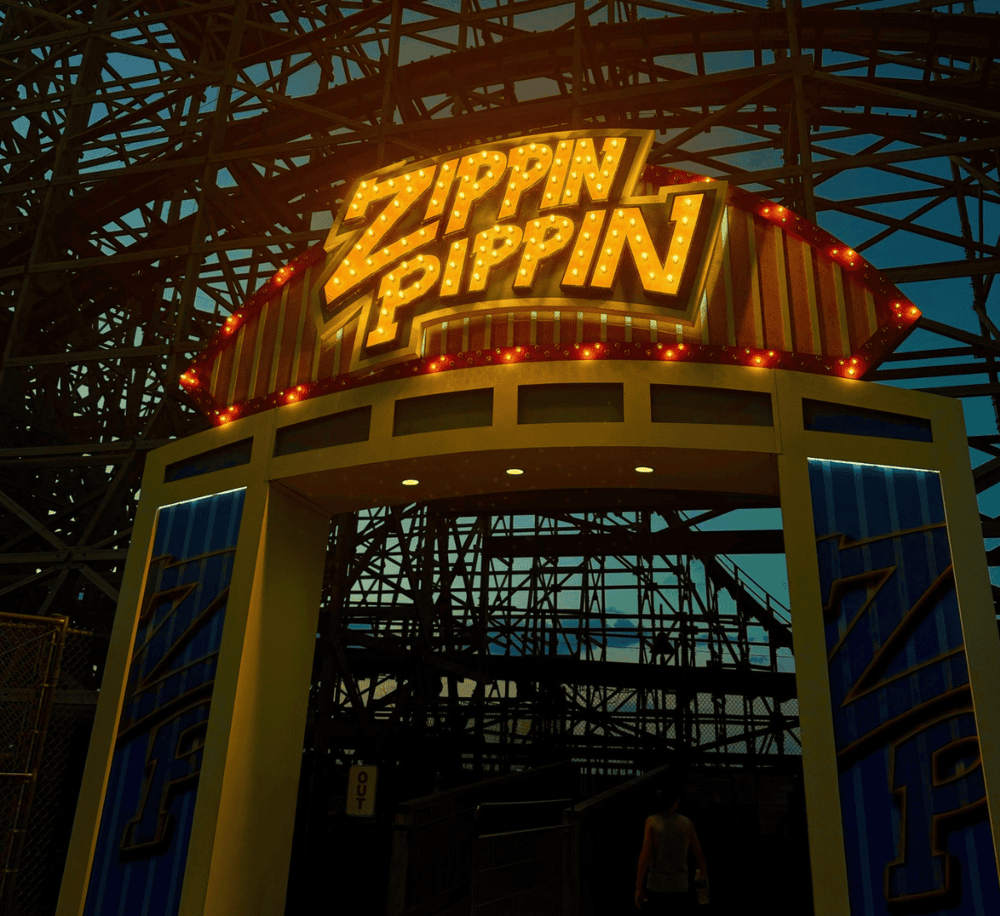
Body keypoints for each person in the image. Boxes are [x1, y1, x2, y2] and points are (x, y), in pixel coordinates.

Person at [635, 785, 708, 912]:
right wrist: (704, 883)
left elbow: (645, 856)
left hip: (656, 884)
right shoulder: (686, 823)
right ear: (675, 802)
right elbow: (699, 855)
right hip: (680, 885)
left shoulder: (652, 822)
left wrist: (638, 888)